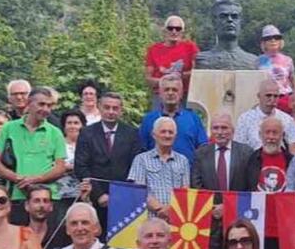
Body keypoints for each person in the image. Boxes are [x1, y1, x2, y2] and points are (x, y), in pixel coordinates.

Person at [0, 87, 67, 225]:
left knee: (48, 243)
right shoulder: (9, 128)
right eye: (41, 104)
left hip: (47, 198)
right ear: (29, 103)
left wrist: (36, 180)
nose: (45, 109)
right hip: (17, 196)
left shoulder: (55, 132)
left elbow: (60, 167)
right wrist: (17, 179)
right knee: (18, 243)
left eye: (49, 105)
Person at [73, 91, 144, 234]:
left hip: (124, 200)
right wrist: (99, 194)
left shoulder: (132, 134)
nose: (111, 112)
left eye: (115, 108)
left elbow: (136, 167)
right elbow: (81, 166)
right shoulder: (87, 133)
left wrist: (120, 195)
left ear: (121, 110)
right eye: (107, 107)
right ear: (99, 107)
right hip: (96, 198)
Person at [191, 112, 251, 249]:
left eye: (224, 128)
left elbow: (250, 186)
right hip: (210, 219)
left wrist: (229, 206)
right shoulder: (200, 153)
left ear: (232, 130)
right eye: (215, 128)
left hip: (239, 217)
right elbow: (196, 185)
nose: (220, 132)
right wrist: (212, 208)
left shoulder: (246, 153)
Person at [246, 116, 293, 249]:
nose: (271, 137)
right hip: (258, 227)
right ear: (261, 135)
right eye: (267, 133)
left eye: (275, 133)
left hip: (285, 228)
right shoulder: (251, 160)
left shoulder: (292, 161)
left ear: (282, 135)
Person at [128, 116, 190, 219]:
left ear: (175, 136)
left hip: (176, 220)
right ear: (154, 135)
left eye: (170, 132)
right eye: (163, 131)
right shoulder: (141, 159)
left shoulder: (183, 160)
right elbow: (139, 191)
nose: (167, 135)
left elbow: (185, 191)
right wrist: (160, 209)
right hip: (149, 218)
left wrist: (171, 210)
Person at [138, 77, 209, 162]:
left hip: (187, 173)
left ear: (181, 93)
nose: (170, 93)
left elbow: (203, 148)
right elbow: (141, 149)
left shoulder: (193, 119)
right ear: (160, 93)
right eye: (166, 90)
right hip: (155, 172)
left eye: (174, 90)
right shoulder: (149, 120)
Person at [144, 15, 199, 105]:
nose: (174, 31)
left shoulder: (190, 48)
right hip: (160, 96)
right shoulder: (153, 49)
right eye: (170, 28)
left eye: (178, 29)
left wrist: (180, 76)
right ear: (165, 30)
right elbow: (148, 78)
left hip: (185, 96)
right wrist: (166, 82)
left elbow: (197, 73)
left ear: (182, 31)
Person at [235, 78, 295, 154]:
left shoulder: (288, 120)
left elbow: (293, 149)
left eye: (275, 96)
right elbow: (239, 149)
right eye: (268, 95)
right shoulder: (245, 119)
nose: (272, 99)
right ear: (259, 96)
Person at [18, 185, 70, 249]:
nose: (42, 205)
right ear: (27, 205)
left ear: (51, 206)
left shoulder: (61, 234)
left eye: (45, 201)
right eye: (37, 201)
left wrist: (86, 200)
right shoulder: (17, 235)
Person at [255, 25, 295, 112]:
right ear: (263, 43)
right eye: (268, 38)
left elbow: (293, 82)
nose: (273, 40)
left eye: (276, 37)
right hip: (266, 99)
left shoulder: (288, 60)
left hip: (285, 97)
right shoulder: (257, 61)